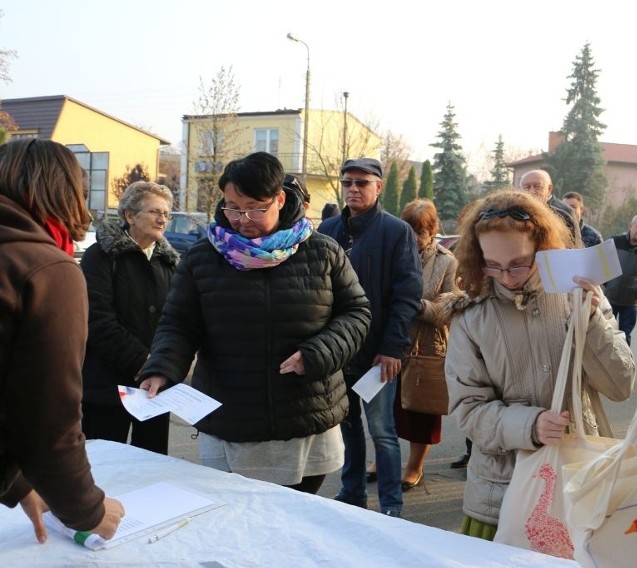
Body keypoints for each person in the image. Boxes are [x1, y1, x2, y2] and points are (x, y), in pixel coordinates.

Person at [137, 152, 371, 496]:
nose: (242, 219)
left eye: (255, 207)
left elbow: (357, 312)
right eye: (233, 206)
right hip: (232, 414)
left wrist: (317, 353)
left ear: (279, 198)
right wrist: (161, 367)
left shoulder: (321, 251)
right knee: (237, 513)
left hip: (306, 410)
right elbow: (178, 322)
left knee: (296, 514)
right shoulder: (204, 256)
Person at [443, 190, 635, 540]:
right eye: (493, 265)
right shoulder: (470, 315)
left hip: (581, 480)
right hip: (499, 493)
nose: (507, 276)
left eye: (519, 262)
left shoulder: (579, 293)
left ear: (543, 248)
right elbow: (468, 411)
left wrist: (591, 320)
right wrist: (529, 425)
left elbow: (621, 385)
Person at [0, 138, 125, 543]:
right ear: (66, 193)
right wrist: (87, 510)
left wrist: (17, 485)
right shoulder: (46, 269)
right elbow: (48, 421)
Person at [318, 157, 422, 518]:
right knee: (347, 428)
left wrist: (393, 348)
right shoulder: (328, 229)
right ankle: (352, 493)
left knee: (382, 430)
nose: (353, 189)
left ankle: (391, 503)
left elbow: (407, 294)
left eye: (362, 183)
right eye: (347, 182)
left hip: (379, 353)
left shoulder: (396, 232)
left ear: (378, 187)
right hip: (337, 351)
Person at [80, 181, 179, 455]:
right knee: (105, 465)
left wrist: (163, 365)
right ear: (130, 215)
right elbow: (97, 320)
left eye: (166, 214)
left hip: (155, 389)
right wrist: (143, 362)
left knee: (152, 467)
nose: (162, 219)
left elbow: (175, 321)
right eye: (154, 212)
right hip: (107, 387)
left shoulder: (168, 262)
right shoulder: (101, 256)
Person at [395, 199, 458, 491]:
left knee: (420, 412)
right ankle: (387, 456)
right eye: (408, 229)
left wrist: (417, 306)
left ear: (433, 231)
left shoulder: (446, 261)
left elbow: (450, 308)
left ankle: (414, 466)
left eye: (419, 231)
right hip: (392, 342)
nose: (413, 238)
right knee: (389, 409)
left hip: (426, 345)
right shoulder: (393, 251)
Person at [602, 214, 637, 345]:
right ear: (630, 226)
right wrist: (606, 284)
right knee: (604, 334)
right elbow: (602, 262)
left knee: (625, 337)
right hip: (610, 300)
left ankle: (623, 364)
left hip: (630, 304)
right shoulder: (615, 242)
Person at [518, 169, 580, 240]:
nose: (532, 191)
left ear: (549, 189)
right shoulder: (515, 212)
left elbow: (575, 246)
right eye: (527, 187)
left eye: (537, 186)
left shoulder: (564, 212)